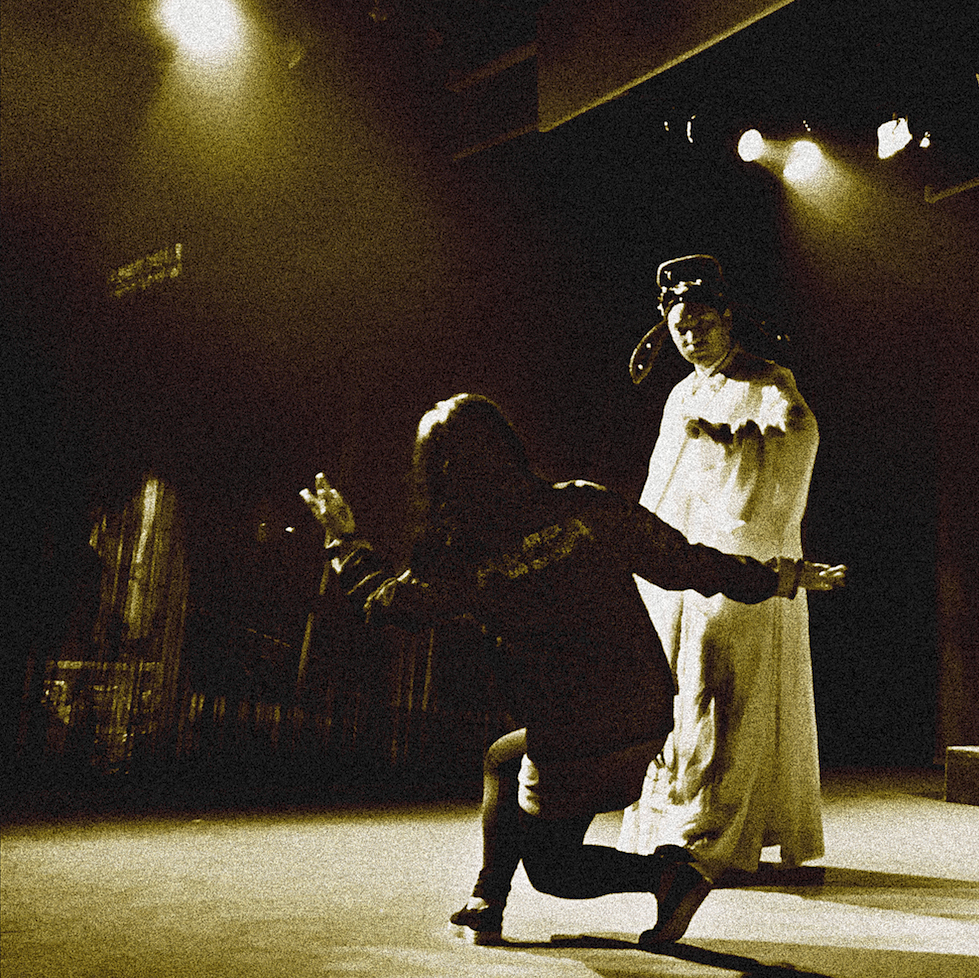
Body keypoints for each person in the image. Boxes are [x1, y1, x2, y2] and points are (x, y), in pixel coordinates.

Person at [299, 393, 845, 947]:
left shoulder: (464, 555)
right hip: (644, 710)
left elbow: (390, 606)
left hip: (576, 737)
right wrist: (778, 577)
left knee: (555, 872)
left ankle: (670, 877)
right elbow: (682, 562)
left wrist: (343, 540)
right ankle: (487, 900)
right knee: (503, 758)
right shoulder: (583, 505)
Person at [617, 255, 826, 883]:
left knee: (727, 691)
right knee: (681, 691)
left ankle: (720, 830)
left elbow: (797, 432)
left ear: (728, 319)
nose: (692, 337)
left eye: (703, 324)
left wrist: (738, 438)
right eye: (681, 328)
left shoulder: (768, 380)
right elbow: (662, 482)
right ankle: (677, 821)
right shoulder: (682, 392)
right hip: (685, 565)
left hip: (741, 557)